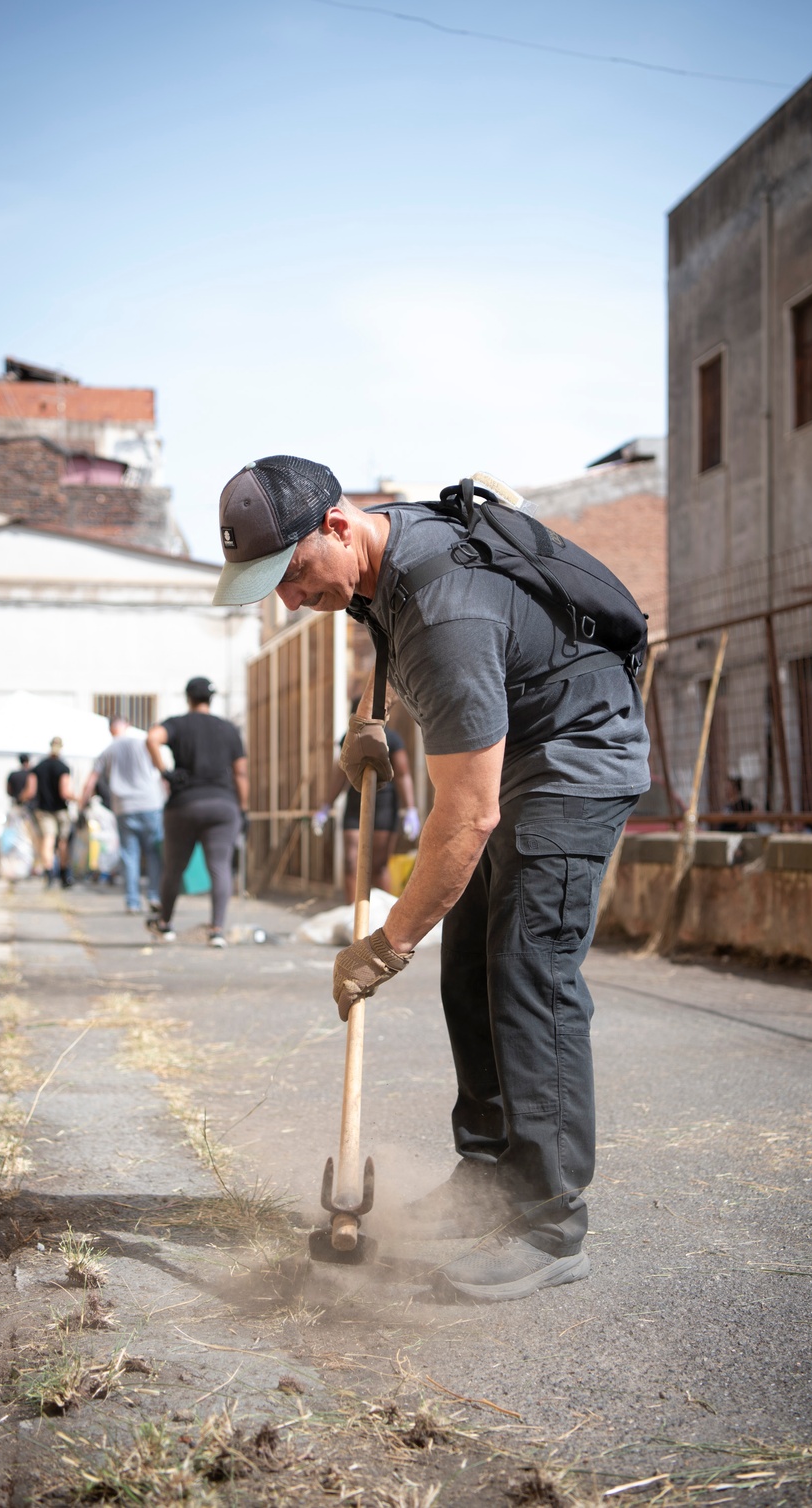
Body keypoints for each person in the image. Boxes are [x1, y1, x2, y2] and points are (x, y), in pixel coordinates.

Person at [210, 455, 650, 1301]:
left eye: (294, 575)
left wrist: (386, 942)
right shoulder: (382, 553)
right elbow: (406, 643)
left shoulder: (442, 603)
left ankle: (552, 1225)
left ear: (337, 526)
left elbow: (468, 815)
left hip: (574, 756)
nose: (290, 600)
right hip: (520, 745)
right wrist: (368, 722)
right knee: (470, 961)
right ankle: (488, 1175)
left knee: (529, 968)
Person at [145, 677, 249, 948]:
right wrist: (244, 808)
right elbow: (240, 772)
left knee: (175, 867)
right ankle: (216, 931)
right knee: (219, 867)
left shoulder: (178, 724)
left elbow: (152, 738)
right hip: (223, 804)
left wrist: (165, 772)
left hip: (184, 803)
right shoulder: (228, 729)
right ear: (211, 699)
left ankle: (165, 925)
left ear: (188, 698)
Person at [314, 702, 420, 902]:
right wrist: (326, 806)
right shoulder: (349, 739)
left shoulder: (392, 740)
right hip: (356, 806)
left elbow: (403, 775)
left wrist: (410, 809)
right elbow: (340, 775)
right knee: (351, 862)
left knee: (378, 866)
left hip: (384, 807)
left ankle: (384, 920)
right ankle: (353, 917)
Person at [79, 716, 164, 914]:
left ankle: (132, 901)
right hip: (150, 802)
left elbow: (91, 781)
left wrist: (82, 804)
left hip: (123, 806)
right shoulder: (143, 744)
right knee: (153, 852)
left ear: (111, 730)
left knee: (129, 854)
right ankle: (154, 895)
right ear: (127, 727)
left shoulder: (107, 751)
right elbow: (160, 771)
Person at [31, 737, 75, 886]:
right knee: (62, 842)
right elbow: (65, 792)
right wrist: (79, 798)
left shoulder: (39, 766)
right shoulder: (63, 767)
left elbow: (31, 791)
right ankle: (63, 874)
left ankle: (49, 872)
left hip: (43, 809)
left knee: (48, 840)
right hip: (60, 809)